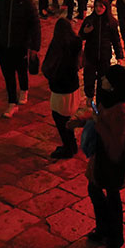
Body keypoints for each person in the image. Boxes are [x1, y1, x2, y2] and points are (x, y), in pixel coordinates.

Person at [70, 64, 125, 248]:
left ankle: (114, 239)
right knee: (95, 190)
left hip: (112, 159)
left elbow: (115, 145)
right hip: (100, 156)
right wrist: (82, 121)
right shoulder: (109, 99)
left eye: (107, 79)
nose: (103, 80)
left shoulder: (121, 111)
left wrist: (97, 124)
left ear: (114, 85)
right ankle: (103, 229)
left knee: (112, 198)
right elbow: (99, 117)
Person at [0, 0, 41, 118]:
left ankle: (24, 89)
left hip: (20, 46)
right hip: (3, 46)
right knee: (8, 75)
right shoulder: (2, 3)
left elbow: (35, 26)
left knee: (21, 69)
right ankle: (12, 103)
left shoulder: (27, 4)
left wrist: (34, 47)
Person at [44, 17, 82, 159]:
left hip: (61, 88)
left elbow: (50, 65)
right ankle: (71, 146)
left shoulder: (58, 45)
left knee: (60, 119)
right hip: (73, 87)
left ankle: (68, 147)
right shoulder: (76, 43)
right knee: (67, 118)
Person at [80, 0, 124, 104]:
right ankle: (89, 96)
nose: (98, 9)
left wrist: (119, 56)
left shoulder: (111, 22)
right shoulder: (89, 20)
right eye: (97, 6)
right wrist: (85, 32)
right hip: (90, 55)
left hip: (104, 56)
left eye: (101, 6)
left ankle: (100, 99)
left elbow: (116, 40)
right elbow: (81, 36)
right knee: (89, 78)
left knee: (102, 79)